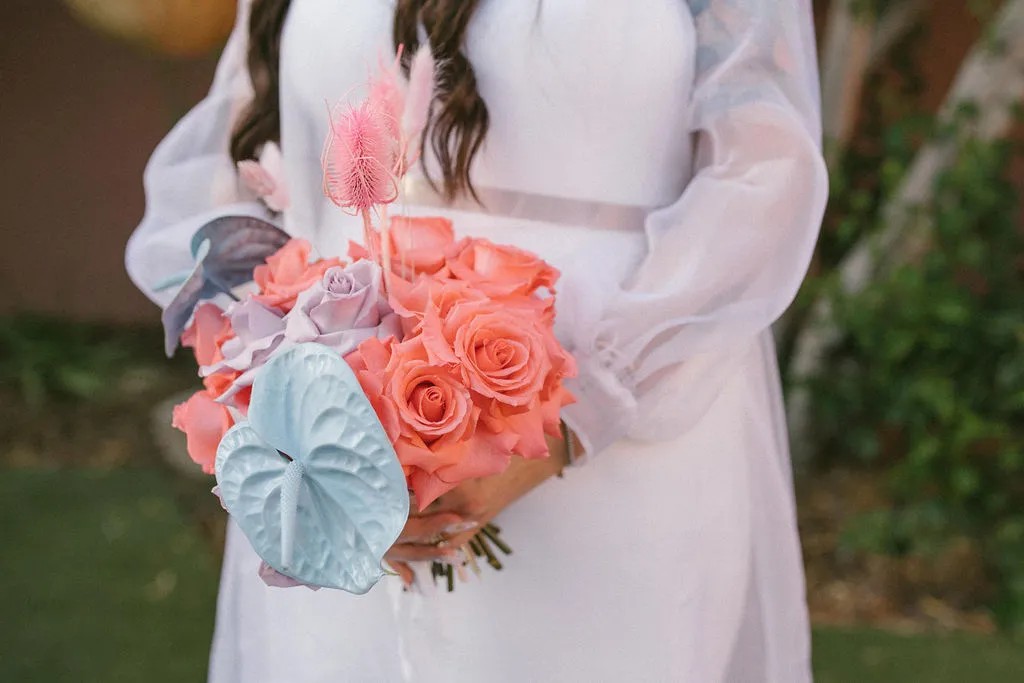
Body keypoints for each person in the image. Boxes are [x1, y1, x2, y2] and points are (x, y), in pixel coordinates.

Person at [126, 0, 828, 680]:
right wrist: (286, 391)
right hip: (334, 446)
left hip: (626, 451)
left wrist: (577, 414)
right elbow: (223, 164)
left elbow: (762, 176)